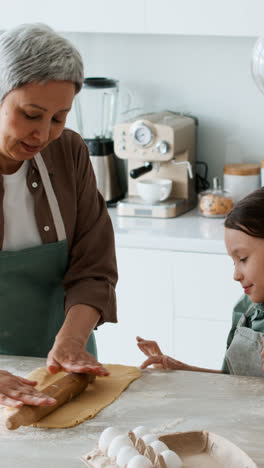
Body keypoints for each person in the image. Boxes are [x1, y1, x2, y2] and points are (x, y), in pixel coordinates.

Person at [0, 23, 118, 408]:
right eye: (31, 115)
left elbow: (93, 267)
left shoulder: (67, 153)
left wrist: (70, 343)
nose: (43, 134)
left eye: (58, 117)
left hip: (60, 370)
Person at [137, 187, 264, 378]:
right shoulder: (246, 310)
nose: (236, 275)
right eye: (233, 261)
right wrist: (178, 369)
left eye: (243, 258)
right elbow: (231, 383)